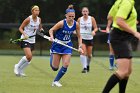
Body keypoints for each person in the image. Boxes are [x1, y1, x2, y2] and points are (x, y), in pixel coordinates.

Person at [102, 0, 140, 93]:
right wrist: (135, 32)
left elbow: (109, 16)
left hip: (123, 37)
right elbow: (119, 21)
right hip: (120, 37)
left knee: (128, 71)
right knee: (123, 71)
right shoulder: (127, 2)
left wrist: (128, 21)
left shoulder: (120, 1)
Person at [49, 4, 83, 87]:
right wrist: (52, 37)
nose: (71, 18)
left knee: (66, 64)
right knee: (55, 68)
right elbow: (51, 30)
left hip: (67, 45)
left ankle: (55, 81)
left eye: (73, 16)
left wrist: (80, 47)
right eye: (69, 16)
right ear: (66, 16)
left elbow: (79, 36)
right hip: (57, 44)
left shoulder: (76, 24)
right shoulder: (61, 23)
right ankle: (51, 54)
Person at [14, 5, 43, 77]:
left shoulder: (39, 19)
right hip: (25, 39)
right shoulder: (28, 19)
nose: (37, 12)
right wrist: (24, 34)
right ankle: (17, 66)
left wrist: (41, 29)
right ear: (32, 11)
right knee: (29, 55)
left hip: (32, 40)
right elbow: (20, 28)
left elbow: (40, 27)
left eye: (38, 10)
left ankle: (21, 71)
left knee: (29, 59)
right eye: (36, 10)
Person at [77, 7, 98, 73]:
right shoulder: (79, 19)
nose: (85, 12)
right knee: (83, 52)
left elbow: (96, 28)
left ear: (88, 12)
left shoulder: (91, 19)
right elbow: (76, 28)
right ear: (82, 12)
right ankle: (84, 68)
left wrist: (94, 31)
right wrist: (76, 32)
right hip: (82, 38)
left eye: (86, 11)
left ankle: (87, 65)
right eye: (83, 11)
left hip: (90, 38)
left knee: (89, 55)